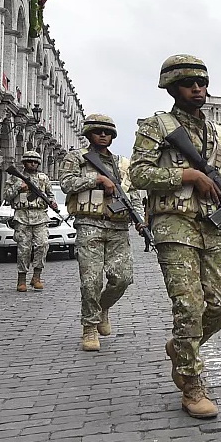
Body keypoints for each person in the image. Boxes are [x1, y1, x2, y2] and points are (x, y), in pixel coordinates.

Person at [130, 54, 221, 419]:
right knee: (188, 306)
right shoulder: (155, 127)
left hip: (213, 227)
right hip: (174, 225)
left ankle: (181, 346)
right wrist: (188, 177)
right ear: (173, 88)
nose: (198, 89)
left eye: (202, 83)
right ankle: (191, 384)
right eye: (190, 83)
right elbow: (140, 175)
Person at [60, 114, 145, 353]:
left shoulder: (121, 164)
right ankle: (89, 326)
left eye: (108, 132)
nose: (104, 136)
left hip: (118, 227)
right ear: (89, 134)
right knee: (91, 281)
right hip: (89, 224)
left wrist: (140, 220)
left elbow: (133, 195)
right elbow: (66, 183)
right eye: (98, 131)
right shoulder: (76, 158)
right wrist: (96, 179)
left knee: (123, 278)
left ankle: (102, 307)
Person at [3, 150, 57, 292]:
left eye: (35, 162)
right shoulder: (15, 178)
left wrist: (53, 203)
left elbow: (50, 195)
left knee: (42, 245)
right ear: (24, 163)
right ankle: (21, 280)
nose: (33, 164)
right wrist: (18, 187)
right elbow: (6, 196)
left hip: (40, 216)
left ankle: (37, 276)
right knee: (23, 250)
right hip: (22, 217)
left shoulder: (43, 178)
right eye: (30, 161)